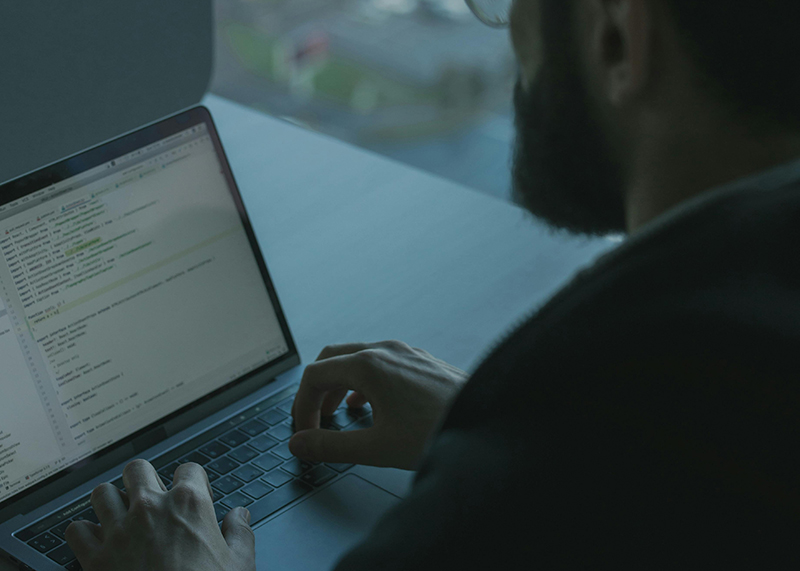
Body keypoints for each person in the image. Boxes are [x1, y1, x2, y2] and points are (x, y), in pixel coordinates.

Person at [65, 0, 800, 568]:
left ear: (618, 34)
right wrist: (484, 420)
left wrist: (516, 447)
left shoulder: (555, 456)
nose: (512, 35)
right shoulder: (729, 363)